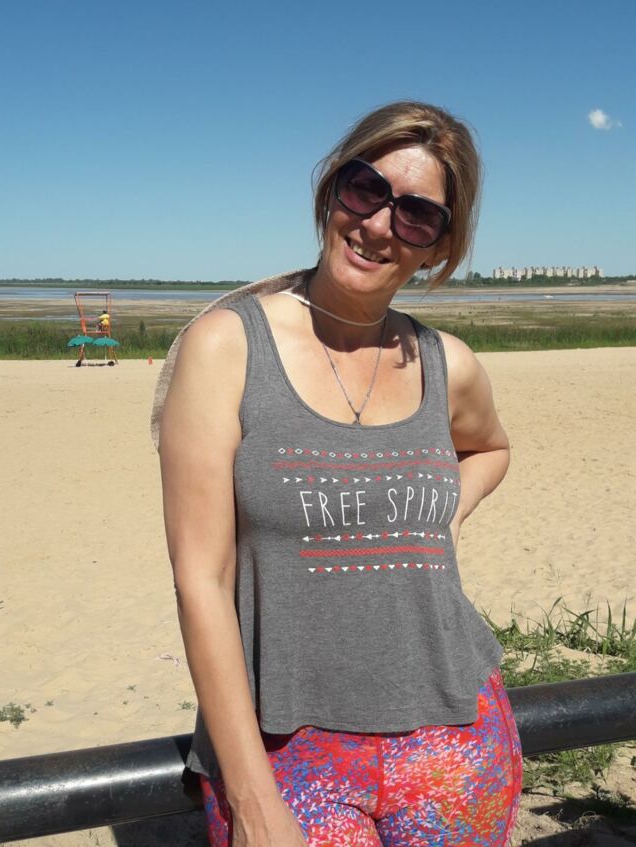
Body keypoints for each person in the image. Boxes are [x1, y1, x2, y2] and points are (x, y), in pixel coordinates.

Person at [152, 100, 522, 847]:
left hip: (457, 730)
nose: (380, 225)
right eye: (366, 189)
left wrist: (444, 514)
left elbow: (490, 448)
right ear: (332, 189)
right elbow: (201, 579)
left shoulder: (447, 362)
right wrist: (252, 800)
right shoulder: (227, 347)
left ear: (439, 247)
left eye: (417, 215)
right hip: (288, 748)